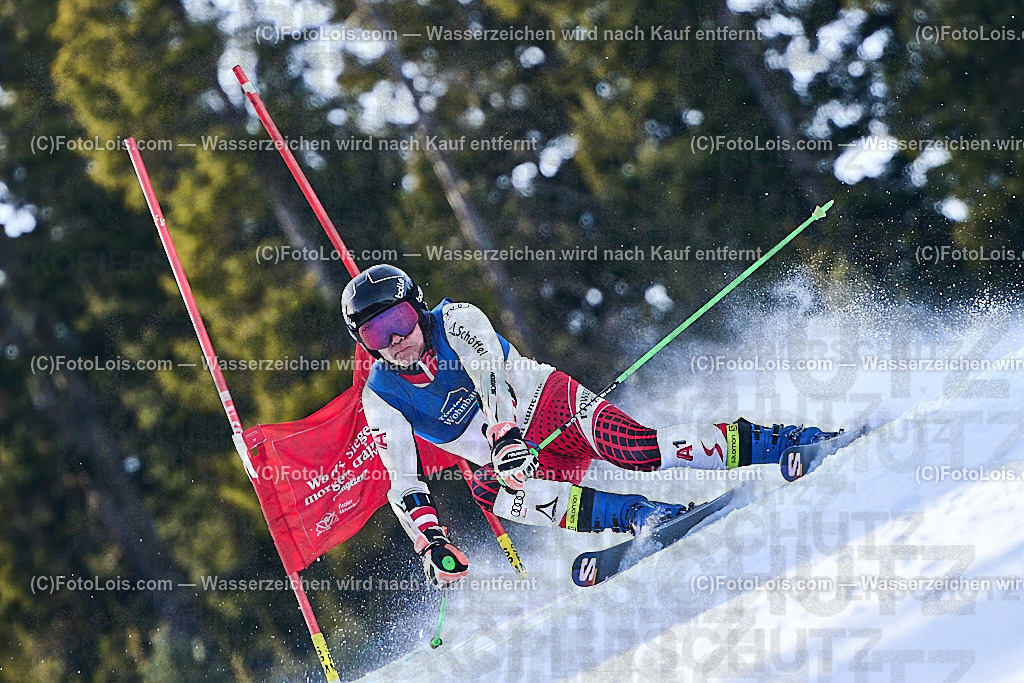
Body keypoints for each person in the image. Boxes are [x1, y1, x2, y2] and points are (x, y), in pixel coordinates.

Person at [342, 265, 838, 588]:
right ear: (363, 342)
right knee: (497, 495)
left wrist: (505, 432)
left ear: (419, 307)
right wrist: (429, 541)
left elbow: (490, 373)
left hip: (547, 407)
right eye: (376, 333)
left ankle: (785, 442)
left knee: (640, 450)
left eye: (401, 320)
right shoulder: (380, 395)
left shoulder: (457, 320)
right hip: (508, 463)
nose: (396, 339)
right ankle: (644, 515)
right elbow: (403, 478)